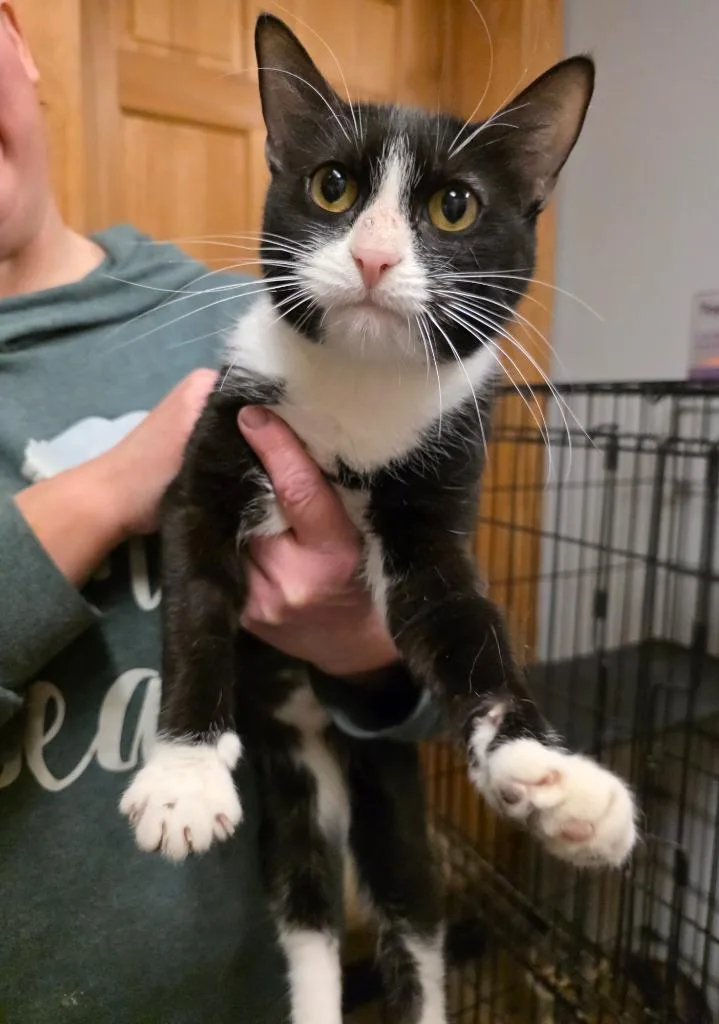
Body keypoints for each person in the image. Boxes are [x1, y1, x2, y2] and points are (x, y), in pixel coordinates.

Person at [0, 4, 439, 1020]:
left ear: (18, 45)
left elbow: (431, 684)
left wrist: (363, 647)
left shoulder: (255, 325)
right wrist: (110, 489)